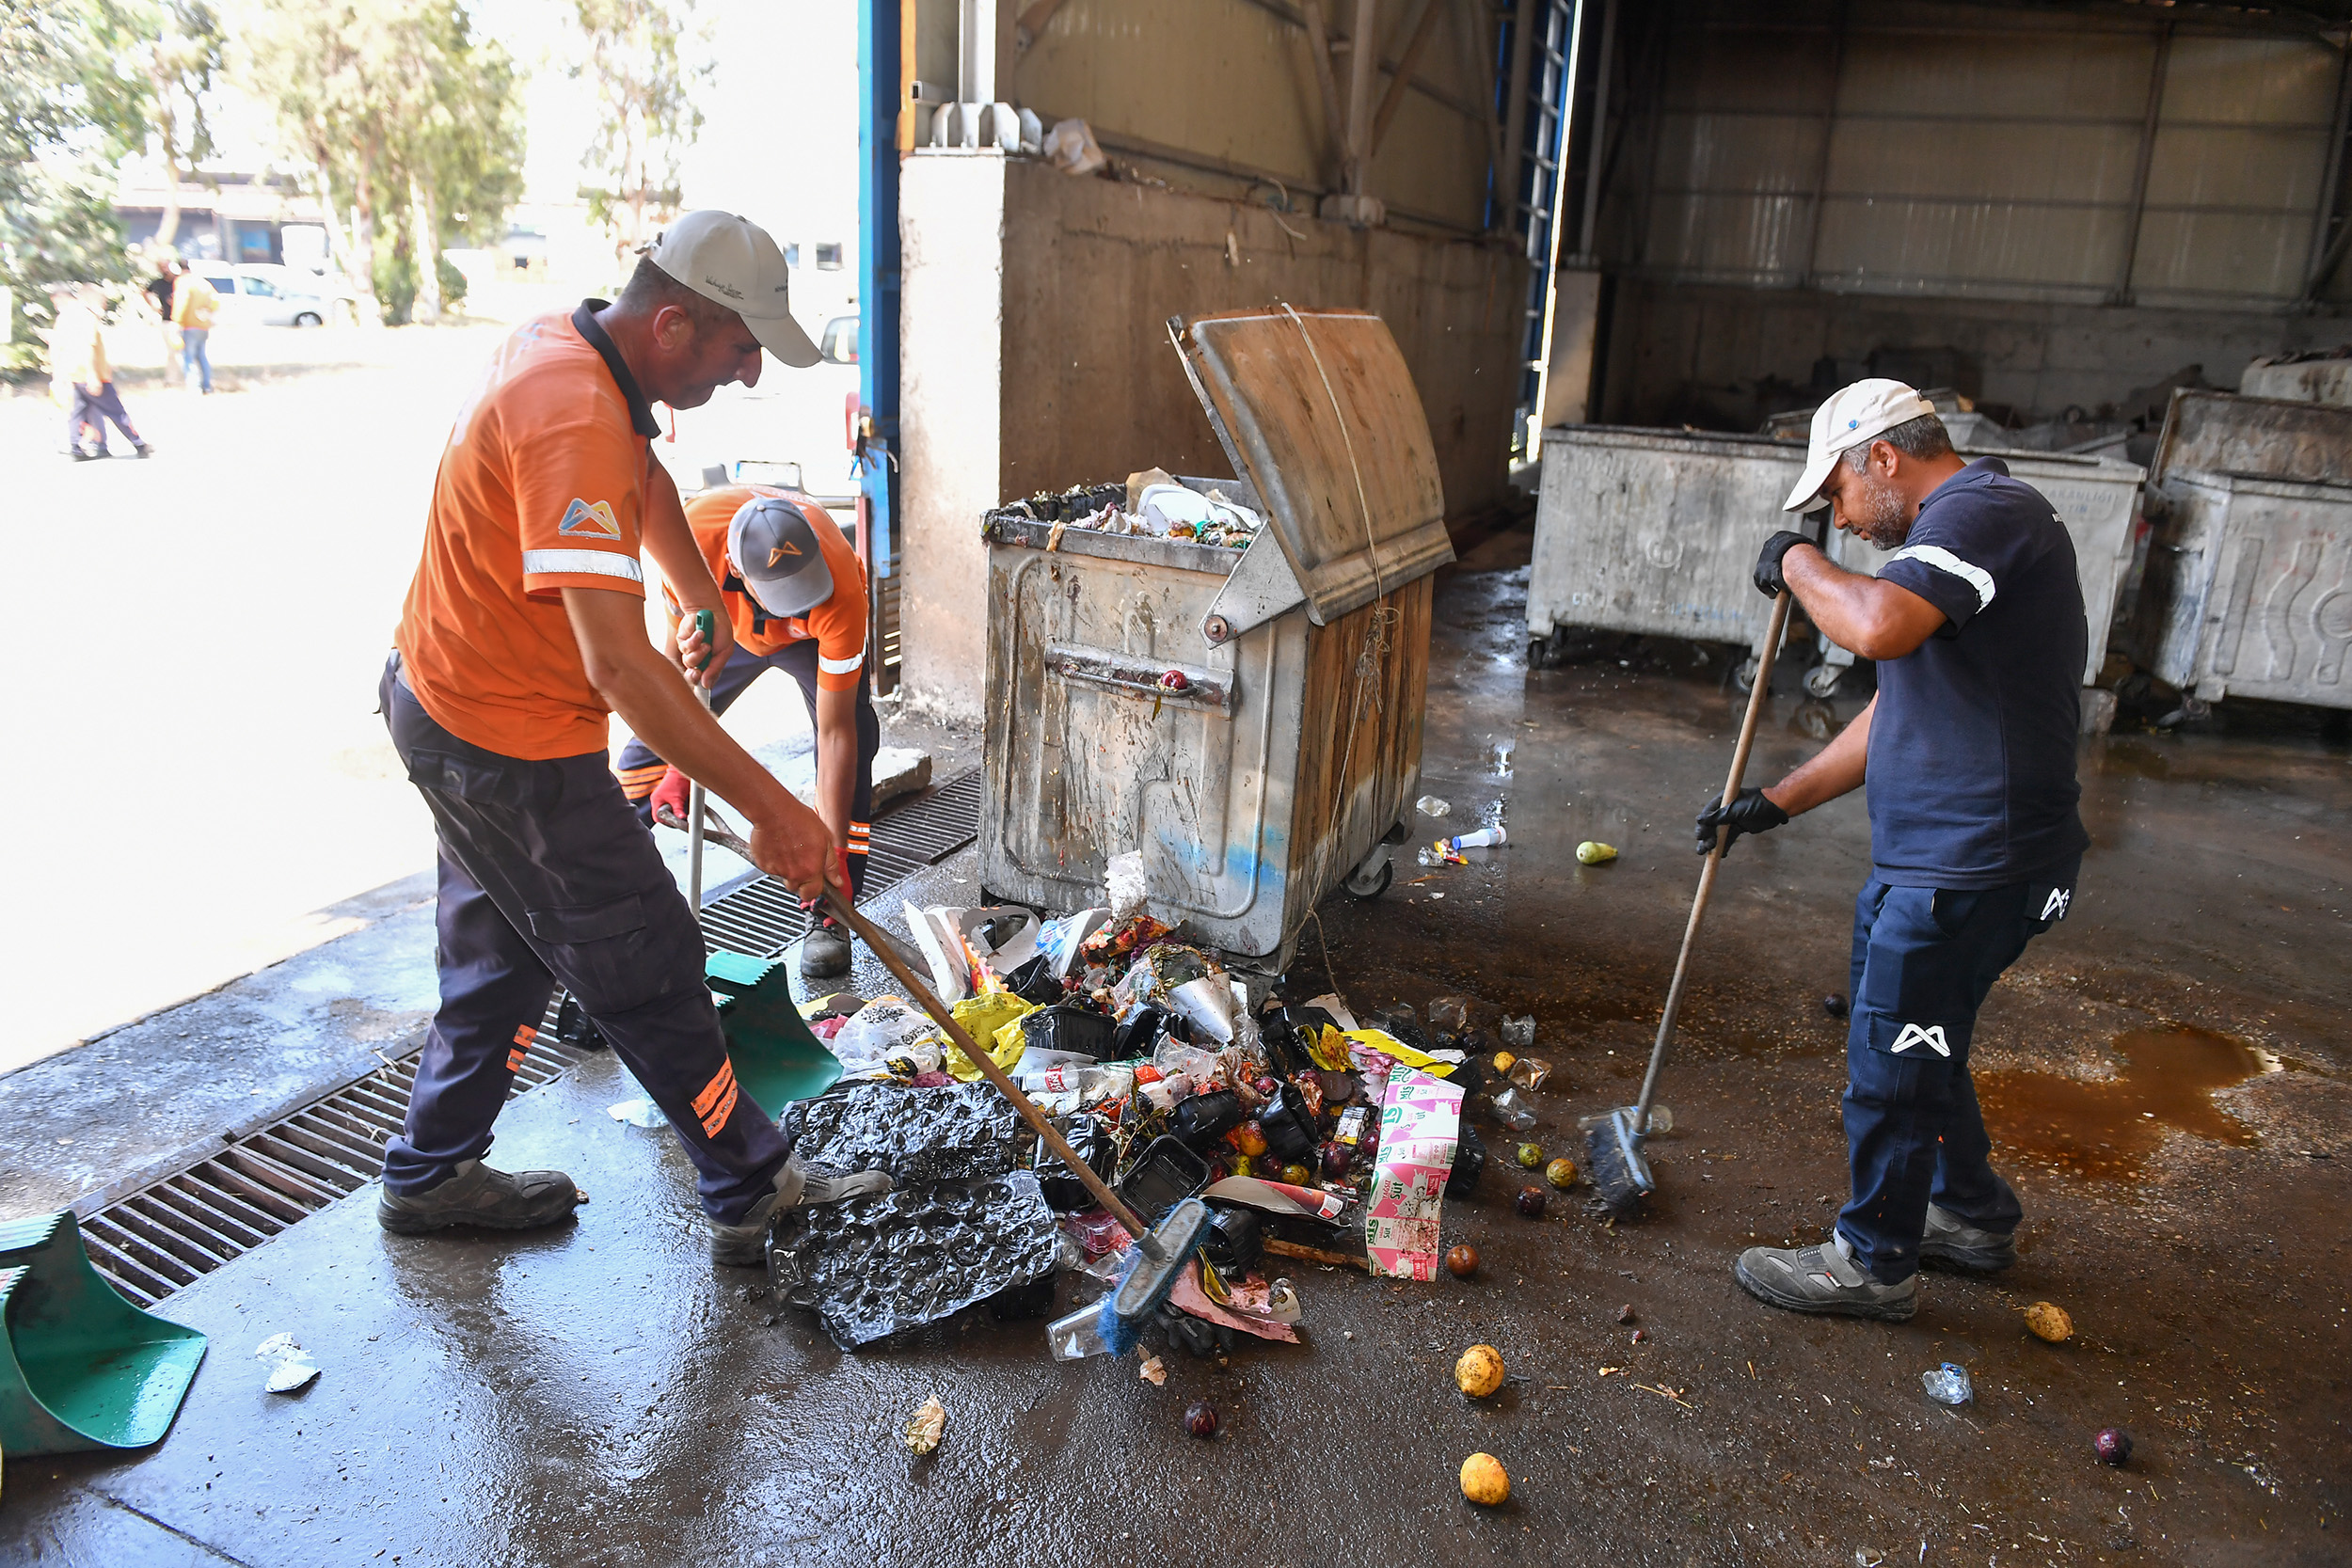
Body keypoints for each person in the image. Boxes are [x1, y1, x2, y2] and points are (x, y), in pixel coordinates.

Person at [377, 209, 887, 1264]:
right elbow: (620, 667)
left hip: (449, 706)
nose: (749, 374)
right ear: (671, 322)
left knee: (507, 956)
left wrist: (697, 591)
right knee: (645, 949)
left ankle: (431, 1173)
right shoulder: (571, 412)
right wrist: (778, 812)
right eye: (739, 347)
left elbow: (644, 479)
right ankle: (752, 1184)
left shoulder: (575, 353)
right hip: (507, 744)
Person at [1709, 379, 2089, 1323]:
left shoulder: (1983, 511)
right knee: (1916, 1041)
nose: (1834, 517)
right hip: (1934, 858)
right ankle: (1968, 1214)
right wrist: (1773, 802)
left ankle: (1873, 1261)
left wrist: (1797, 563)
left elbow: (1873, 623)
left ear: (1883, 455)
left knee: (1895, 1054)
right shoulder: (1941, 546)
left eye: (1833, 492)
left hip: (1974, 861)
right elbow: (1895, 710)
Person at [618, 483, 880, 980]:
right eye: (783, 593)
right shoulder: (691, 540)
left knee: (859, 738)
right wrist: (676, 762)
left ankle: (830, 911)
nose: (793, 603)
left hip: (809, 639)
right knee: (640, 765)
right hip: (727, 625)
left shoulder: (840, 587)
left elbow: (835, 733)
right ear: (738, 569)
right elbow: (670, 679)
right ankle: (615, 925)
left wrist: (833, 849)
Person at [48, 286, 153, 461]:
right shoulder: (86, 316)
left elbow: (59, 345)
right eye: (103, 301)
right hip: (90, 373)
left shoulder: (65, 317)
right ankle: (138, 443)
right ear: (92, 299)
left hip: (74, 372)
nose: (104, 305)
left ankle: (77, 447)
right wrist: (93, 374)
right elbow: (87, 347)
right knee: (116, 411)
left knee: (78, 412)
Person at [170, 266, 218, 392]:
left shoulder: (183, 282)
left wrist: (177, 321)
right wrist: (205, 313)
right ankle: (207, 385)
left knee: (188, 357)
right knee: (202, 356)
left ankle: (194, 387)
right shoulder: (204, 283)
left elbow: (181, 303)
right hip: (203, 325)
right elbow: (215, 302)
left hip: (189, 326)